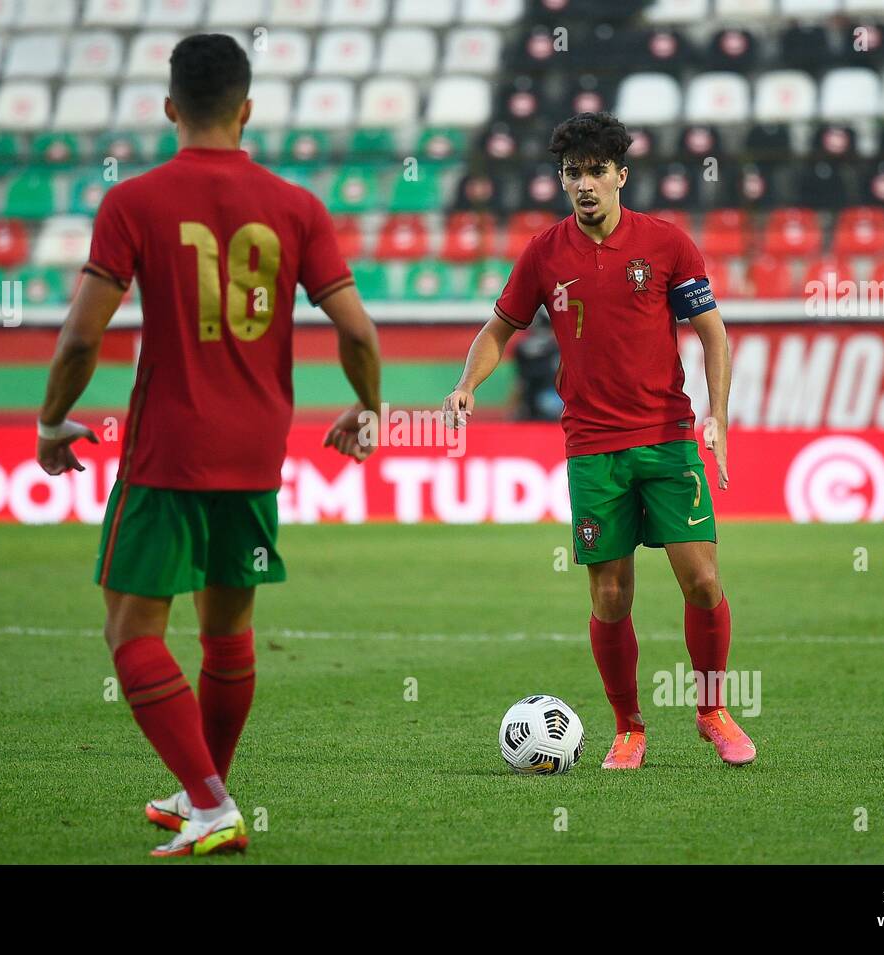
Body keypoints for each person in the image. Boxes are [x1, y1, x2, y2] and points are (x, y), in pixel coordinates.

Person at [36, 34, 381, 857]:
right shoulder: (298, 206)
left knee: (131, 634)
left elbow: (82, 338)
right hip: (258, 451)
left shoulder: (136, 202)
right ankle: (204, 793)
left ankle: (210, 797)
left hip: (169, 450)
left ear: (169, 110)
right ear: (247, 109)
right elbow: (358, 330)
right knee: (227, 634)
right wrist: (370, 406)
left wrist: (52, 421)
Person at [443, 112, 754, 771]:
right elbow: (499, 328)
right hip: (592, 447)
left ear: (621, 175)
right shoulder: (544, 252)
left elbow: (713, 333)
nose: (584, 185)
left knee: (701, 579)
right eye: (572, 173)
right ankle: (629, 728)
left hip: (667, 439)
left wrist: (718, 414)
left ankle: (712, 710)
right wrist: (467, 382)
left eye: (594, 172)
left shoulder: (667, 245)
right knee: (610, 596)